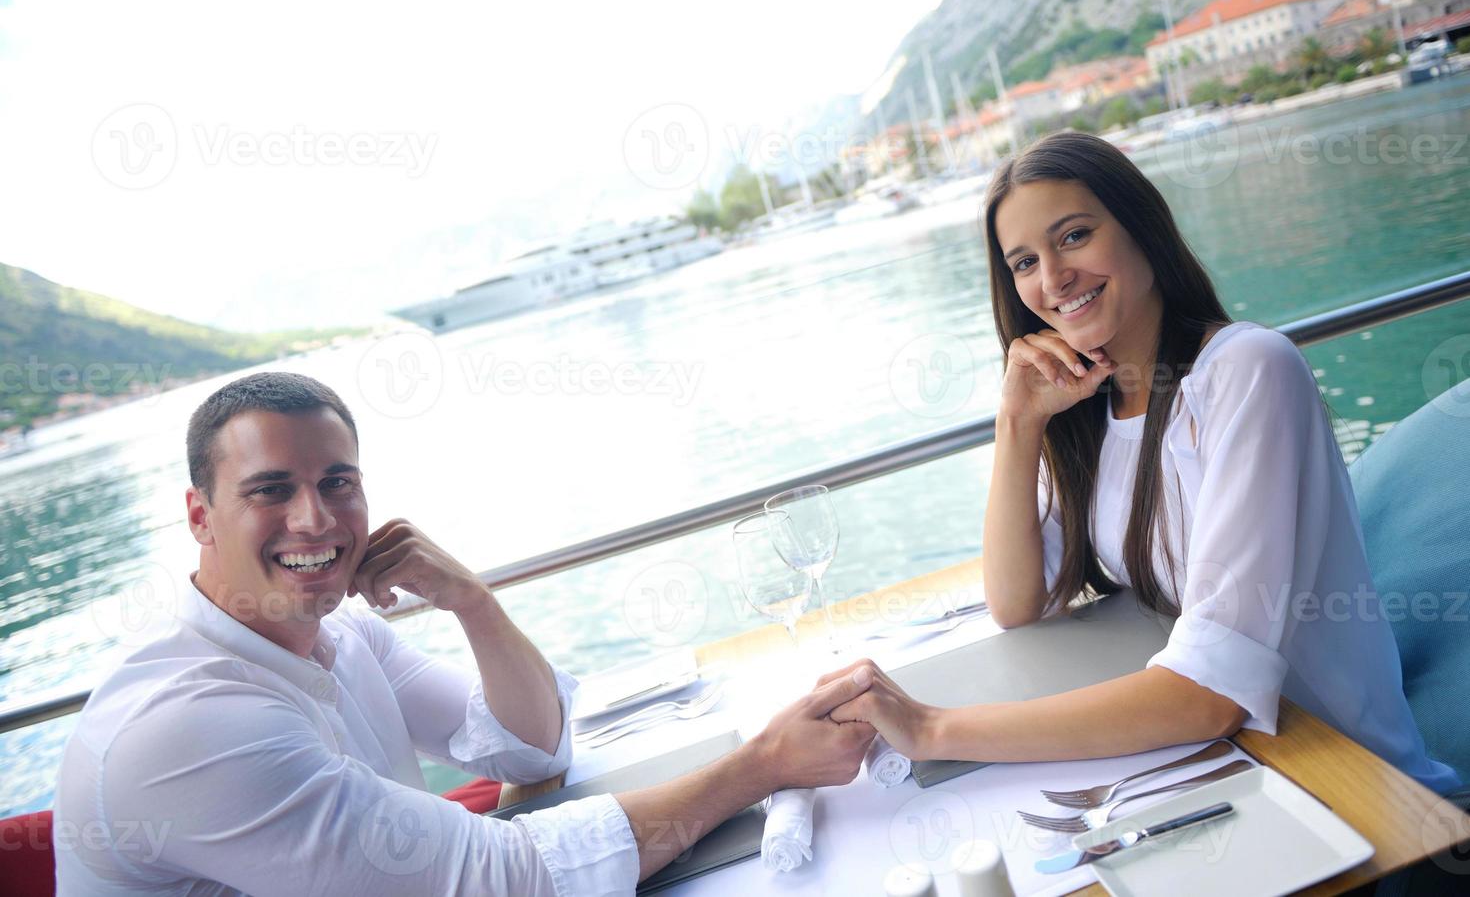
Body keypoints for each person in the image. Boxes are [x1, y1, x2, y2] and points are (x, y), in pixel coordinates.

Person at [54, 372, 876, 895]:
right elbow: (503, 875)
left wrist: (473, 601)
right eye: (272, 490)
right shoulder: (182, 729)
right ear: (199, 515)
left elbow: (531, 751)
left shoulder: (342, 637)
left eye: (338, 483)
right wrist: (765, 765)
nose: (315, 518)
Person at [829, 131, 1456, 793]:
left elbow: (1210, 695)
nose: (1051, 279)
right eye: (1023, 262)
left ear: (1142, 226)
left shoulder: (1247, 371)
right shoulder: (1092, 406)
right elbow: (1017, 601)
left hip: (1342, 780)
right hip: (1227, 766)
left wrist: (933, 731)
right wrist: (1018, 423)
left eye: (1073, 236)